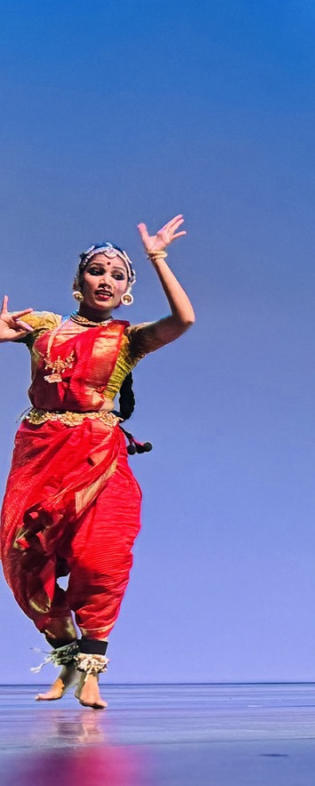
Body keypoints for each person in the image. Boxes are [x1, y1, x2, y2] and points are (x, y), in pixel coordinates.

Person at [0, 216, 195, 709]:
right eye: (96, 270)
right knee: (23, 557)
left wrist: (157, 259)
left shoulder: (127, 339)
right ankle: (65, 656)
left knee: (99, 554)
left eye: (117, 275)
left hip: (97, 453)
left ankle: (90, 669)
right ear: (78, 280)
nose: (106, 280)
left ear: (127, 290)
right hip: (39, 452)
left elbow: (183, 321)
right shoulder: (42, 327)